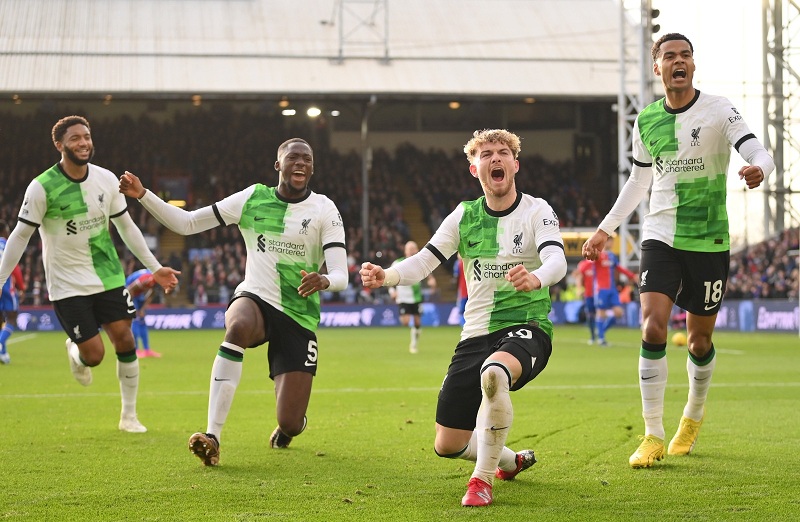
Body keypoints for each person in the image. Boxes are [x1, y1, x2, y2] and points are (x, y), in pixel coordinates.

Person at [582, 33, 775, 469]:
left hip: (708, 238)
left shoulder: (719, 109)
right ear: (658, 68)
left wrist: (756, 169)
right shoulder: (646, 120)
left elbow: (760, 151)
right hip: (661, 233)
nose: (678, 61)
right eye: (669, 56)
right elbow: (639, 181)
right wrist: (605, 229)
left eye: (685, 55)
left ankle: (693, 414)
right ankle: (652, 433)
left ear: (693, 64)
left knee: (699, 340)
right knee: (652, 327)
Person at [360, 129, 567, 507]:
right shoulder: (463, 215)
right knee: (448, 444)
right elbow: (424, 262)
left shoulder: (538, 211)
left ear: (515, 164)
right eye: (486, 154)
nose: (495, 159)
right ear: (475, 169)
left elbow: (557, 258)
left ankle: (481, 481)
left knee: (495, 374)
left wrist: (536, 277)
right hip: (475, 334)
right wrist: (386, 275)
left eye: (503, 152)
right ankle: (510, 460)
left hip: (527, 326)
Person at [119, 137, 348, 466]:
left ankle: (290, 428)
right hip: (257, 296)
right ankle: (212, 436)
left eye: (307, 159)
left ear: (312, 167)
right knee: (237, 325)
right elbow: (188, 223)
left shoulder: (325, 209)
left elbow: (341, 274)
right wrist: (143, 194)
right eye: (293, 158)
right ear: (278, 165)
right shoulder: (252, 198)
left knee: (290, 421)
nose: (301, 163)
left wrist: (324, 279)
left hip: (299, 314)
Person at [0, 115, 180, 433]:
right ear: (59, 145)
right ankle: (76, 350)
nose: (83, 142)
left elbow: (126, 227)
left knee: (125, 339)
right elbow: (19, 236)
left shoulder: (107, 180)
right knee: (94, 355)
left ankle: (129, 416)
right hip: (67, 283)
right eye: (75, 138)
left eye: (86, 136)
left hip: (107, 274)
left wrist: (155, 268)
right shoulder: (42, 187)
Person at [389, 240, 437, 353]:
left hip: (416, 297)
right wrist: (392, 292)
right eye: (409, 249)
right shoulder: (397, 263)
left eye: (413, 249)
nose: (411, 251)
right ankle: (413, 335)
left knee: (417, 322)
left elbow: (429, 274)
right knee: (405, 321)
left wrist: (432, 280)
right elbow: (389, 279)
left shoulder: (420, 263)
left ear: (417, 250)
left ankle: (414, 344)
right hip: (403, 297)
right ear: (405, 251)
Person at [592, 236, 637, 346]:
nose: (611, 243)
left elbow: (619, 268)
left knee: (619, 313)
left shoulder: (612, 256)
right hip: (601, 289)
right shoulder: (597, 254)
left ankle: (601, 330)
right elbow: (591, 261)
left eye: (611, 241)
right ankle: (601, 339)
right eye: (609, 241)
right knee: (601, 313)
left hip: (612, 289)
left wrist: (632, 276)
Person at [0, 220, 26, 365]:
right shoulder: (7, 245)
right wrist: (21, 288)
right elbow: (15, 268)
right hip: (5, 286)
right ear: (4, 231)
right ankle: (0, 345)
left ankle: (3, 353)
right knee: (11, 319)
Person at [125, 268, 162, 358]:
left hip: (138, 294)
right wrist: (132, 307)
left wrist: (142, 309)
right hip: (130, 292)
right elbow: (129, 289)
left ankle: (147, 350)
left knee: (142, 321)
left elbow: (152, 294)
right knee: (136, 321)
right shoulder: (147, 278)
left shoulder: (157, 280)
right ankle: (136, 350)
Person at [572, 258, 596, 345]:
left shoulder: (601, 262)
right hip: (589, 295)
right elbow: (578, 276)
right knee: (590, 315)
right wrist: (579, 289)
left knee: (603, 314)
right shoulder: (584, 264)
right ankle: (593, 335)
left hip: (600, 294)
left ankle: (601, 332)